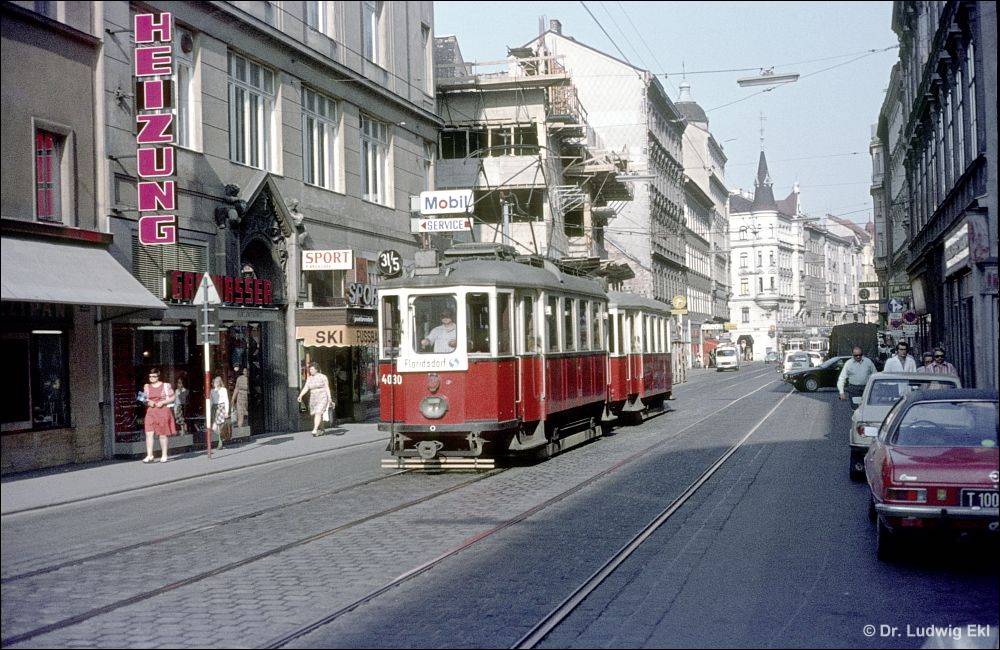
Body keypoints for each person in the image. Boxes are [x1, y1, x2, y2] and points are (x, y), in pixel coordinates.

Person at [142, 368, 177, 463]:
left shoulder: (166, 386)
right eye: (150, 376)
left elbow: (173, 397)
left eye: (154, 376)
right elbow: (143, 398)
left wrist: (163, 402)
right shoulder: (147, 387)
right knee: (149, 433)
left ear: (158, 376)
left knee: (162, 434)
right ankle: (149, 455)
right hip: (151, 412)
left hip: (162, 411)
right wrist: (148, 402)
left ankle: (164, 454)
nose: (151, 378)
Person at [297, 362, 333, 436]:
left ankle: (315, 429)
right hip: (313, 397)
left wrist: (329, 398)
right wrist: (300, 395)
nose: (311, 371)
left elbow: (327, 387)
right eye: (310, 369)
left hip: (322, 396)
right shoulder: (309, 378)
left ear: (316, 369)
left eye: (312, 369)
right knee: (316, 414)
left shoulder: (323, 377)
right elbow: (306, 387)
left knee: (318, 412)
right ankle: (322, 429)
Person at [210, 376, 229, 450]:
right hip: (215, 408)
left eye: (218, 381)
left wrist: (226, 412)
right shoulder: (212, 391)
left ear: (220, 382)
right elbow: (211, 402)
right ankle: (221, 438)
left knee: (220, 426)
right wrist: (209, 411)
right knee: (215, 427)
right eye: (215, 381)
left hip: (221, 407)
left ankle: (220, 443)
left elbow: (226, 400)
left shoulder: (223, 390)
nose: (216, 383)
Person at [231, 366, 249, 430]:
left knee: (247, 413)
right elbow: (236, 389)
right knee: (240, 413)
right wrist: (233, 398)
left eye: (246, 371)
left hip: (247, 397)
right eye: (244, 371)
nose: (245, 372)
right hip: (240, 397)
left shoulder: (250, 378)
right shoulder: (239, 378)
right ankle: (240, 428)